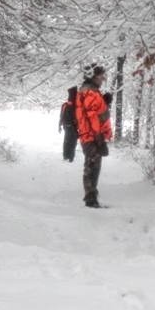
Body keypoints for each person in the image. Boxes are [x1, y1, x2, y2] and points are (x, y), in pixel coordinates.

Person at [75, 64, 113, 208]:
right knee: (92, 166)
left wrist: (105, 102)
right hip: (91, 135)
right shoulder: (89, 92)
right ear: (93, 76)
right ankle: (90, 200)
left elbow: (96, 111)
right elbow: (92, 116)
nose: (103, 79)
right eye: (100, 76)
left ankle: (91, 198)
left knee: (93, 165)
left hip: (91, 134)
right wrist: (98, 137)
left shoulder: (92, 91)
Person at [58, 86, 78, 162]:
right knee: (73, 141)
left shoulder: (64, 105)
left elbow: (61, 116)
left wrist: (59, 125)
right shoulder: (76, 105)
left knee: (67, 140)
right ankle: (70, 157)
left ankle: (66, 156)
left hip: (66, 126)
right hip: (73, 126)